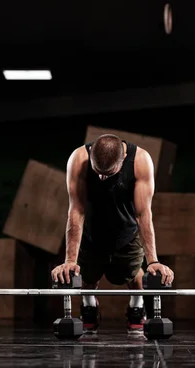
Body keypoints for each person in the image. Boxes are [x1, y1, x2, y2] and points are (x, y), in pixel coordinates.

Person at [51, 134, 174, 334]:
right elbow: (76, 210)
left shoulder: (140, 161)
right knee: (86, 276)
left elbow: (143, 214)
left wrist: (153, 261)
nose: (101, 178)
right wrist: (70, 260)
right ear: (91, 156)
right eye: (98, 172)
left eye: (108, 174)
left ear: (123, 159)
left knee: (133, 273)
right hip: (91, 233)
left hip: (126, 233)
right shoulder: (78, 158)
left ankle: (137, 305)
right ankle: (89, 305)